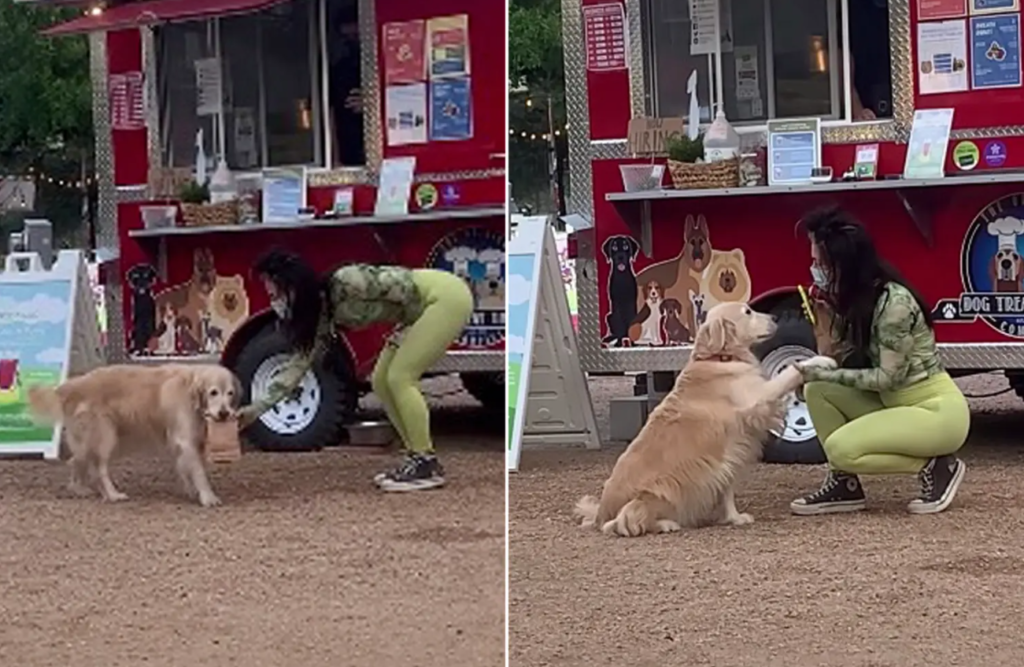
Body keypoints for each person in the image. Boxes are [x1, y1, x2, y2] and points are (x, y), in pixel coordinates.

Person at [238, 250, 474, 492]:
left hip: (444, 299)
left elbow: (402, 284)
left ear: (292, 288)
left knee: (400, 378)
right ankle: (416, 456)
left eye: (275, 294)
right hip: (419, 310)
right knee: (381, 381)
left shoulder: (347, 282)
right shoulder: (323, 315)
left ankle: (425, 460)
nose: (274, 302)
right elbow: (297, 366)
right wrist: (255, 411)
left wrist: (407, 327)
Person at [789, 206, 970, 516]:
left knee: (840, 448)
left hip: (935, 411)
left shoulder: (893, 305)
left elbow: (888, 379)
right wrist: (826, 337)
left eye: (820, 263)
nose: (814, 269)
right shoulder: (860, 299)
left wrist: (827, 373)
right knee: (817, 391)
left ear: (843, 264)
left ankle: (935, 466)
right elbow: (844, 363)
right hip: (896, 404)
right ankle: (844, 485)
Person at [328, 1, 365, 166]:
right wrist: (334, 159)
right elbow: (330, 113)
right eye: (347, 38)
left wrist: (372, 106)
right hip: (349, 149)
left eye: (356, 36)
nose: (352, 43)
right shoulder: (340, 70)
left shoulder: (384, 65)